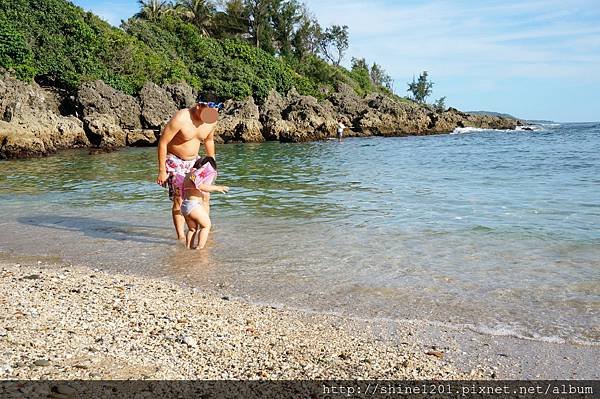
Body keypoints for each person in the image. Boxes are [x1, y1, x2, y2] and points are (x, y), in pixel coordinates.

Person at [156, 96, 224, 241]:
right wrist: (162, 170)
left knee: (205, 195)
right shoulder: (181, 118)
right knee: (179, 199)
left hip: (195, 162)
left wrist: (212, 165)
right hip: (175, 161)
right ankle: (181, 236)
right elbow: (163, 142)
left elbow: (209, 140)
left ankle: (203, 228)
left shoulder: (211, 119)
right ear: (199, 106)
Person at [179, 157, 229, 249]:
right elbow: (200, 186)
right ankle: (200, 248)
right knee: (206, 226)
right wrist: (217, 188)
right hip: (193, 205)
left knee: (192, 229)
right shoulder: (194, 175)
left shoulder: (188, 175)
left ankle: (188, 248)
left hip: (185, 205)